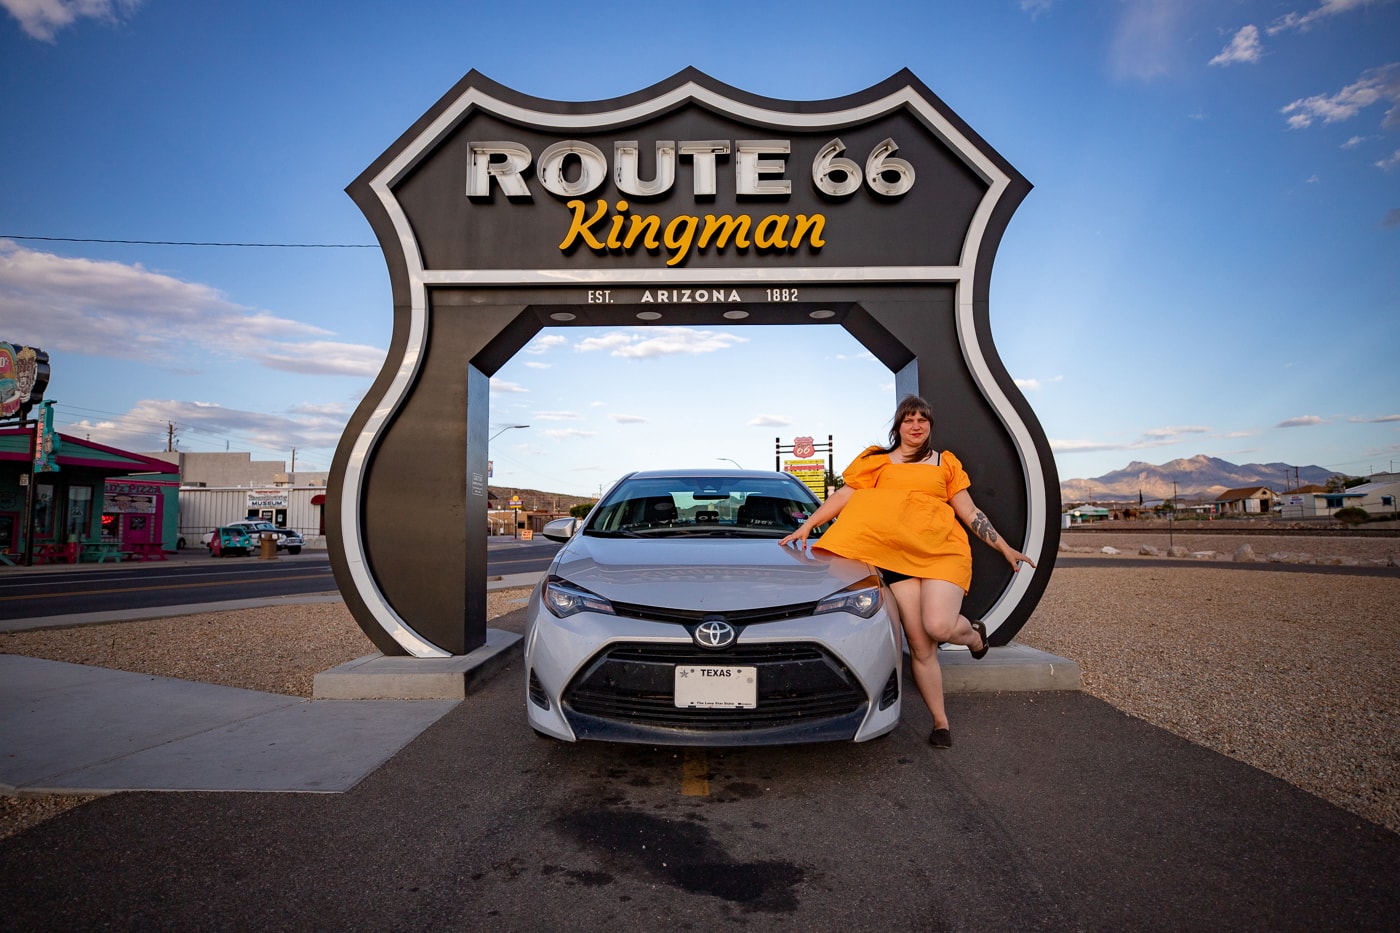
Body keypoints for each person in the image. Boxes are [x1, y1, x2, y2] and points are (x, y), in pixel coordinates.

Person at [778, 395, 1035, 749]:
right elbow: (844, 497)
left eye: (923, 420)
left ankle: (975, 637)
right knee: (919, 643)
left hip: (942, 551)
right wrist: (809, 526)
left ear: (930, 425)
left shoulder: (945, 463)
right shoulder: (876, 461)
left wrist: (1003, 546)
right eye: (909, 420)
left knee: (939, 626)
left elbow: (969, 511)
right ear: (898, 426)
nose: (916, 426)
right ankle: (941, 722)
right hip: (895, 557)